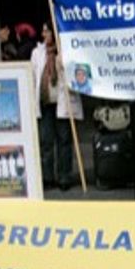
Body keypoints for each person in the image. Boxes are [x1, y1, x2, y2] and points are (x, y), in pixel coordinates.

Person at [32, 22, 85, 190]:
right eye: (43, 31)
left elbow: (77, 75)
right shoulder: (37, 52)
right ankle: (47, 177)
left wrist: (62, 61)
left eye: (47, 31)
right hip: (45, 102)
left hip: (63, 102)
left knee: (64, 140)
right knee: (46, 140)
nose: (43, 34)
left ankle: (64, 176)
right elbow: (33, 76)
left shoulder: (67, 50)